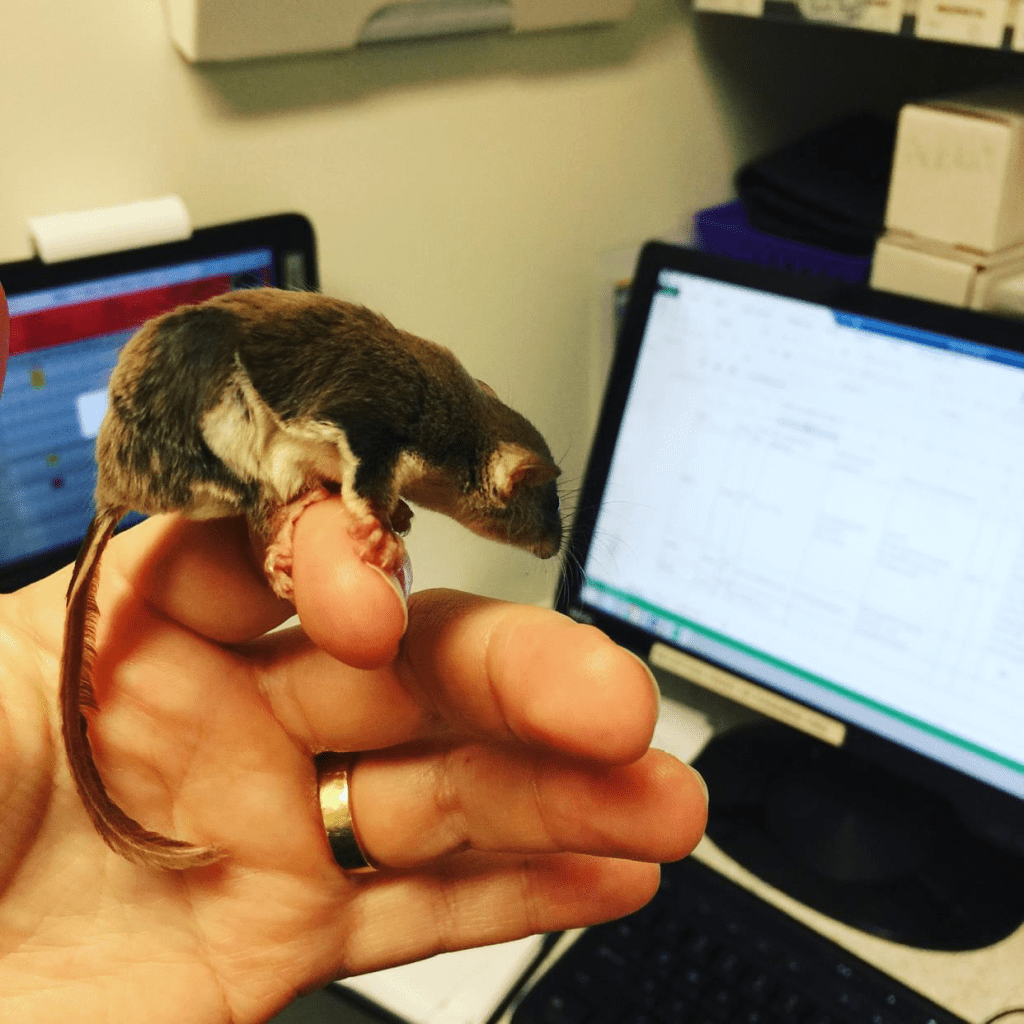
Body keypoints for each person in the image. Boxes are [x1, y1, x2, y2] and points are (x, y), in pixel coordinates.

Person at [0, 279, 708, 1023]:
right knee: (321, 504)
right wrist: (365, 506)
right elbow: (360, 433)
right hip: (188, 429)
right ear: (503, 481)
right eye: (527, 521)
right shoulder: (418, 417)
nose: (529, 543)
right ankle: (276, 512)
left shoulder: (437, 398)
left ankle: (278, 512)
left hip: (217, 407)